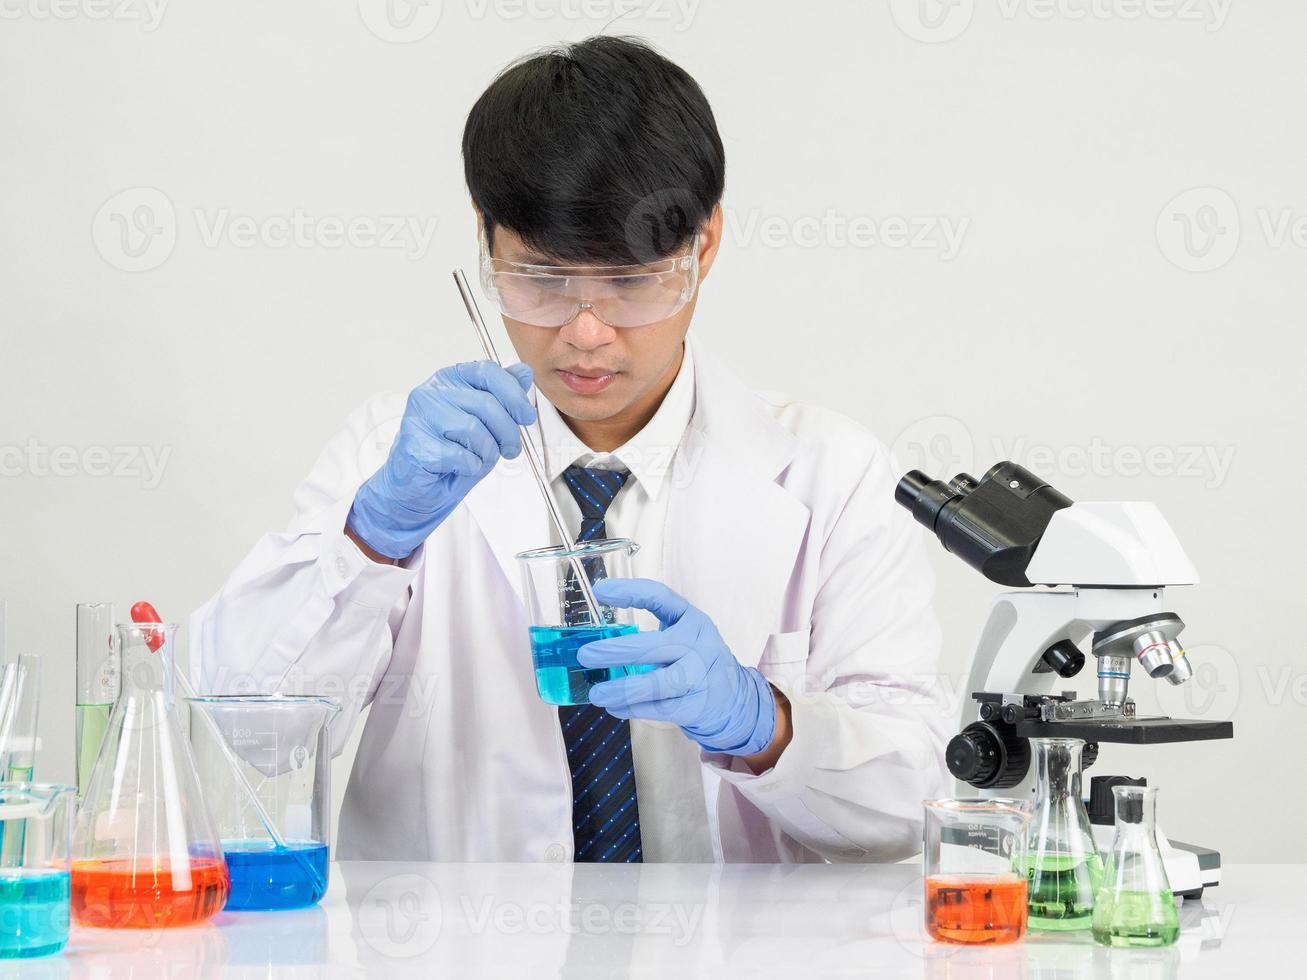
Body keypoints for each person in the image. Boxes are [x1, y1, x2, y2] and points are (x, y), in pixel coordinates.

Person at [190, 35, 949, 864]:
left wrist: (763, 723)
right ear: (486, 241)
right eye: (543, 280)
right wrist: (370, 541)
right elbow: (245, 736)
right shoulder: (391, 455)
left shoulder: (829, 474)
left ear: (705, 246)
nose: (586, 334)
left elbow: (911, 805)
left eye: (630, 282)